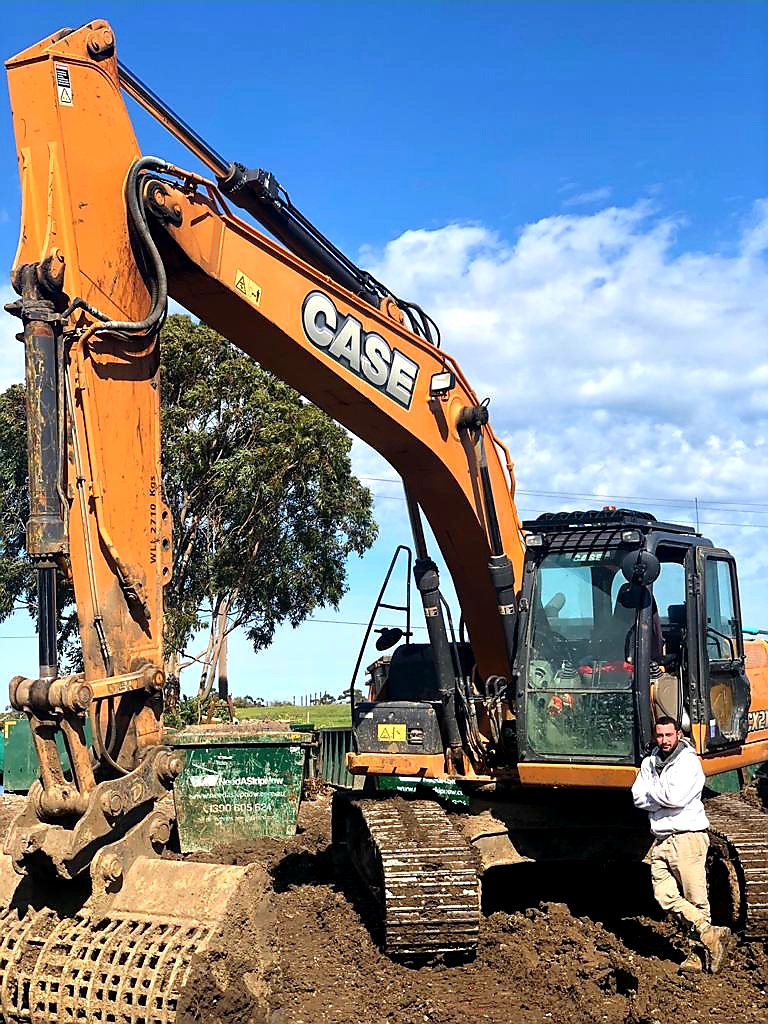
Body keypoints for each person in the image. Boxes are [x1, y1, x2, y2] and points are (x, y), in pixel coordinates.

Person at [631, 716, 733, 974]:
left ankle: (697, 957)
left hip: (687, 837)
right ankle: (709, 932)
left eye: (668, 735)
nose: (664, 740)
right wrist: (659, 797)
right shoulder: (649, 762)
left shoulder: (688, 763)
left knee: (696, 899)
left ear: (678, 734)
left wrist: (653, 794)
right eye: (660, 736)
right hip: (662, 839)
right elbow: (636, 797)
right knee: (663, 895)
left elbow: (674, 797)